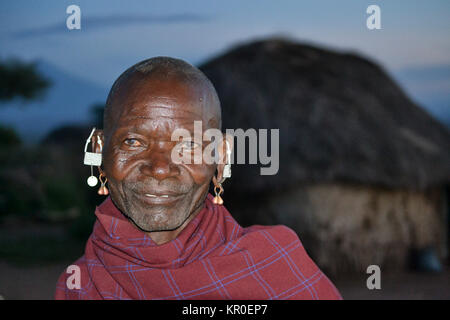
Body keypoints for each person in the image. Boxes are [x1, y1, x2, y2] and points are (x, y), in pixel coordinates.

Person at [54, 57, 342, 300]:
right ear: (100, 151)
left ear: (221, 156)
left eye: (188, 145)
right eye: (132, 142)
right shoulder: (79, 285)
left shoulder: (276, 265)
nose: (160, 168)